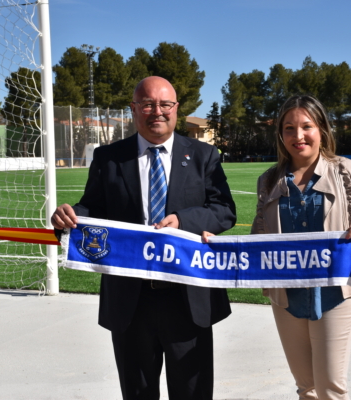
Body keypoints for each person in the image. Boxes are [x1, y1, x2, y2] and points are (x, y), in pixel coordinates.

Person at [51, 76, 236, 400]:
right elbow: (93, 207)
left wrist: (184, 221)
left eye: (165, 104)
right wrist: (70, 216)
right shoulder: (109, 158)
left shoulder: (204, 155)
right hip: (130, 301)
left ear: (177, 109)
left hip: (187, 299)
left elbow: (224, 210)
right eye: (148, 104)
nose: (157, 111)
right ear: (134, 109)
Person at [251, 95, 351, 400]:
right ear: (280, 135)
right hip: (287, 297)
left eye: (306, 126)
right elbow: (257, 237)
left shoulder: (349, 172)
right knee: (306, 388)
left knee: (330, 389)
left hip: (336, 294)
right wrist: (212, 246)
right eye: (289, 128)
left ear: (322, 130)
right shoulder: (269, 180)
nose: (297, 136)